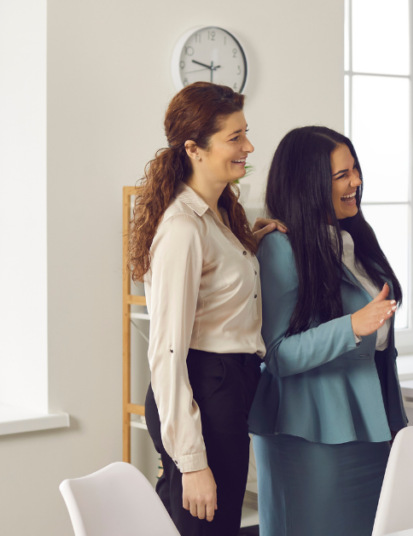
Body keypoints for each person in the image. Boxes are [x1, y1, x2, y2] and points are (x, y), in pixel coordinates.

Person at [132, 82, 285, 535]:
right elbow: (167, 352)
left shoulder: (218, 214)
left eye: (246, 134)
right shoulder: (183, 226)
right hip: (201, 390)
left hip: (225, 386)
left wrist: (249, 244)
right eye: (234, 138)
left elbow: (216, 288)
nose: (249, 147)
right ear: (194, 149)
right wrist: (193, 462)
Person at [248, 126, 408, 536]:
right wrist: (353, 327)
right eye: (342, 175)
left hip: (373, 425)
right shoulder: (280, 248)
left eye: (355, 170)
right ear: (308, 184)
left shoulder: (353, 239)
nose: (356, 182)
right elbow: (278, 354)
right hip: (311, 435)